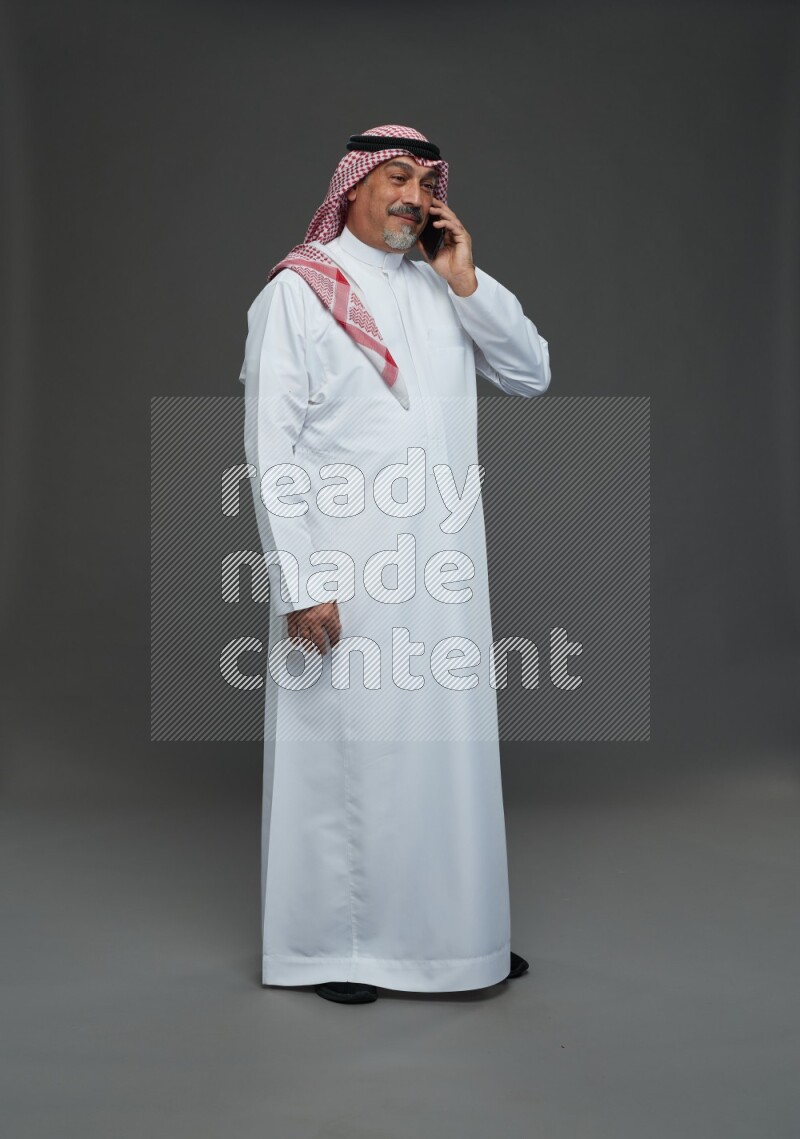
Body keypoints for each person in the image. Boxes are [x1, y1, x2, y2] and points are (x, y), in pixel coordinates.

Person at [239, 125, 551, 1004]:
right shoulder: (300, 292)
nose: (413, 196)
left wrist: (466, 279)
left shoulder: (441, 286)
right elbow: (274, 451)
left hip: (445, 573)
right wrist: (302, 586)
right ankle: (337, 947)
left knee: (444, 758)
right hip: (349, 575)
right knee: (354, 760)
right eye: (396, 177)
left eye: (425, 181)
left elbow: (530, 374)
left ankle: (456, 937)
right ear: (353, 187)